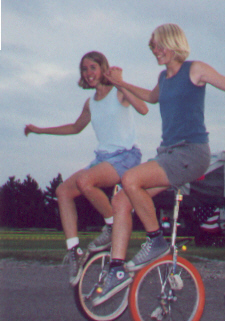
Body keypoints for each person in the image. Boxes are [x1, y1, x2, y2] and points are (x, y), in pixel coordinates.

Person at [91, 23, 225, 306]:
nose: (156, 52)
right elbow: (151, 98)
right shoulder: (164, 77)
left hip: (192, 153)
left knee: (130, 179)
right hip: (169, 154)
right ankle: (116, 269)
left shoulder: (195, 69)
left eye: (159, 46)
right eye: (152, 47)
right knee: (122, 202)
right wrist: (120, 83)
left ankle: (156, 240)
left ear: (174, 44)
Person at [24, 51, 148, 286]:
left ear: (103, 68)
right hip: (102, 160)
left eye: (93, 67)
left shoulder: (118, 92)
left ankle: (112, 226)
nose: (88, 73)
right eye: (84, 69)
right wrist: (40, 130)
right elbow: (74, 127)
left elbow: (143, 109)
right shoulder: (90, 103)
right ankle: (74, 252)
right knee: (62, 191)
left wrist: (120, 82)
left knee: (85, 181)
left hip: (126, 156)